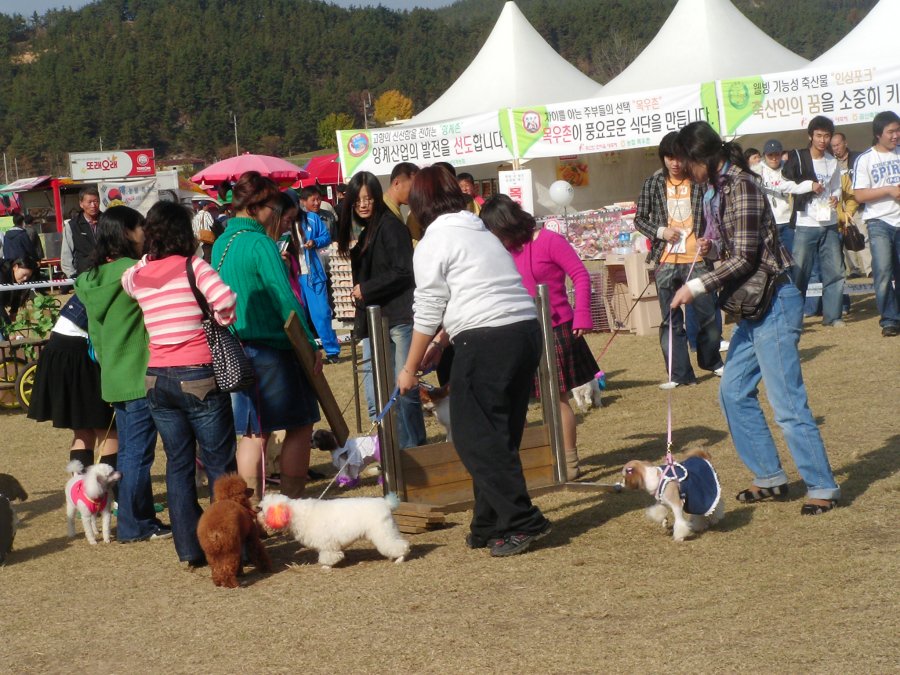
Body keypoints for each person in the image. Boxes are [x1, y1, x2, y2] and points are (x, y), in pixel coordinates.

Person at [670, 121, 840, 516]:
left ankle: (822, 486)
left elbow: (746, 257)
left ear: (702, 157)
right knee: (732, 392)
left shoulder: (741, 185)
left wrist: (695, 287)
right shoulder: (716, 189)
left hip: (775, 301)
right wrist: (712, 247)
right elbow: (735, 249)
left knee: (787, 402)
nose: (685, 170)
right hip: (752, 309)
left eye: (687, 161)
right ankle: (769, 477)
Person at [398, 166, 552, 556]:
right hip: (523, 331)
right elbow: (481, 288)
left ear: (419, 205)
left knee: (473, 436)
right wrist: (443, 339)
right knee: (498, 433)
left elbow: (429, 304)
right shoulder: (478, 230)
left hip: (487, 341)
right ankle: (489, 521)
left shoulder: (434, 241)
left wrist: (409, 367)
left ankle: (521, 519)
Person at [122, 201, 238, 565]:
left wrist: (147, 255)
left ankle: (189, 550)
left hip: (157, 379)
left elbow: (130, 280)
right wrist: (216, 317)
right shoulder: (194, 267)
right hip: (198, 374)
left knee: (178, 465)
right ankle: (234, 546)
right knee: (220, 465)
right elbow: (226, 301)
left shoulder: (138, 276)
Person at [211, 171, 323, 500]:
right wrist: (309, 341)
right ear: (259, 206)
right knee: (300, 425)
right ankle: (291, 507)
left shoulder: (221, 243)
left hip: (237, 349)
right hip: (273, 350)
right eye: (274, 207)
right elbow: (284, 298)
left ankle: (250, 512)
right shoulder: (260, 242)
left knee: (253, 433)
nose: (276, 215)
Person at [481, 194, 598, 480]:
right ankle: (541, 456)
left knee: (556, 399)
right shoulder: (503, 251)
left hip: (557, 327)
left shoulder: (549, 241)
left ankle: (569, 461)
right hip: (521, 331)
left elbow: (581, 276)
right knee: (526, 400)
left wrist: (582, 313)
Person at [75, 205, 171, 542]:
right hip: (141, 373)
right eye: (140, 226)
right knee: (138, 455)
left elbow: (97, 339)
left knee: (131, 451)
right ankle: (134, 524)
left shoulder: (89, 279)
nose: (145, 232)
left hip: (113, 375)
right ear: (127, 232)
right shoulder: (136, 271)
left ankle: (140, 518)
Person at [336, 171, 426, 450]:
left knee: (404, 389)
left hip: (398, 318)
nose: (363, 204)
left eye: (369, 198)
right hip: (374, 321)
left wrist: (367, 289)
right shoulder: (362, 232)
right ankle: (391, 450)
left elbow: (404, 271)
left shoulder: (390, 226)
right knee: (377, 393)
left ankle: (412, 450)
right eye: (357, 200)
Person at [633, 131, 723, 389]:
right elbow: (640, 218)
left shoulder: (700, 181)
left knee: (708, 315)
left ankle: (712, 361)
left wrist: (709, 241)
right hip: (666, 259)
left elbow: (713, 215)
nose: (674, 163)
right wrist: (661, 232)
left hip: (697, 258)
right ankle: (679, 374)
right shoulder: (653, 183)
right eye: (669, 157)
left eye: (679, 157)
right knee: (670, 319)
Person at [27, 294, 118, 473]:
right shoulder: (120, 277)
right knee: (108, 430)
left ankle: (83, 493)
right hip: (80, 353)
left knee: (83, 430)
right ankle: (115, 496)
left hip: (57, 349)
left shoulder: (88, 278)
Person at [783, 116, 845, 327]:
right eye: (818, 135)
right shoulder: (798, 158)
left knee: (835, 271)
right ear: (810, 136)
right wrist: (809, 185)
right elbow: (785, 185)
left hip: (829, 221)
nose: (822, 140)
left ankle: (833, 316)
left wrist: (836, 195)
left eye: (826, 135)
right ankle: (794, 317)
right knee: (800, 273)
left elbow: (837, 186)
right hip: (805, 223)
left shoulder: (832, 161)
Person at [852, 110, 900, 338]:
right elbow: (859, 195)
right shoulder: (865, 159)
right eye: (891, 131)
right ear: (878, 134)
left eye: (898, 130)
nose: (896, 135)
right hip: (878, 221)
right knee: (882, 271)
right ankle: (889, 319)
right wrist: (890, 190)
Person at [297, 187, 341, 362]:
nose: (316, 203)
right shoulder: (283, 223)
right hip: (295, 276)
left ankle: (332, 351)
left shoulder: (313, 219)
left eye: (318, 199)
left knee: (322, 313)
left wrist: (314, 242)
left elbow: (326, 237)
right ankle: (305, 353)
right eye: (312, 200)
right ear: (302, 202)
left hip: (314, 274)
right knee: (300, 317)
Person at [753, 138, 816, 255]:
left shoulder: (788, 168)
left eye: (776, 154)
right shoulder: (756, 172)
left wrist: (811, 185)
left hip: (788, 221)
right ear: (764, 155)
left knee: (793, 256)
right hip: (768, 222)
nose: (773, 158)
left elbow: (795, 187)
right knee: (774, 257)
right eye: (770, 155)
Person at [831, 132, 870, 279]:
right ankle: (853, 269)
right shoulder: (831, 162)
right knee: (847, 239)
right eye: (833, 146)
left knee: (862, 235)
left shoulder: (858, 158)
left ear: (845, 143)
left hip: (858, 204)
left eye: (838, 145)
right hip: (839, 206)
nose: (836, 148)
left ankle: (869, 268)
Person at [61, 186, 101, 278]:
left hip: (106, 273)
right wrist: (72, 275)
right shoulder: (72, 226)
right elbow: (66, 254)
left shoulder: (107, 221)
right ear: (81, 204)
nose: (93, 205)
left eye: (96, 201)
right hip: (84, 274)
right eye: (89, 202)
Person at [384, 162, 422, 242]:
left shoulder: (391, 207)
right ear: (396, 183)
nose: (415, 192)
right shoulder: (384, 209)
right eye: (413, 187)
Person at [0, 256, 38, 334]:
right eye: (24, 274)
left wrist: (14, 310)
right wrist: (9, 327)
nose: (25, 278)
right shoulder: (1, 276)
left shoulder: (17, 279)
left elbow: (18, 293)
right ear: (15, 267)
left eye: (28, 276)